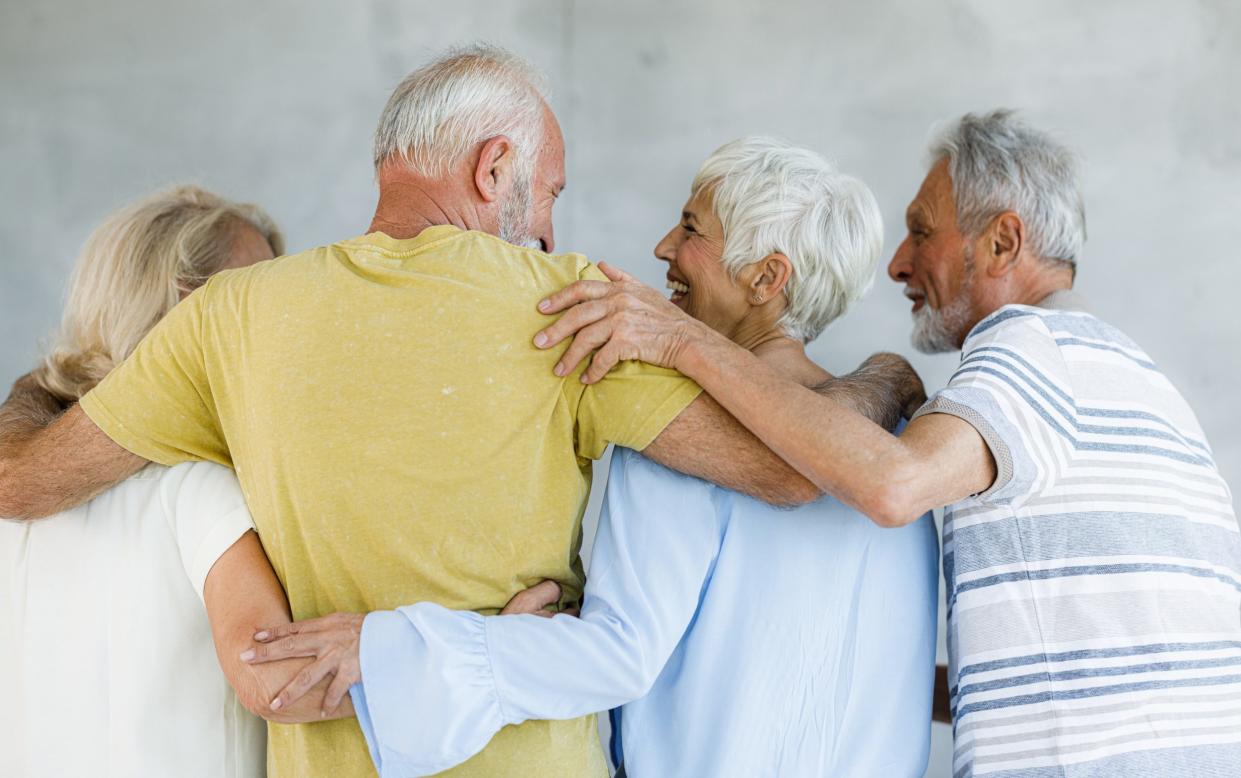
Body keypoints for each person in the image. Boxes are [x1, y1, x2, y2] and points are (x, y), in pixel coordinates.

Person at [0, 45, 922, 778]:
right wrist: (880, 378)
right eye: (549, 191)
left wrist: (56, 372)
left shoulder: (230, 319)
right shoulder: (574, 306)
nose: (554, 228)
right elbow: (793, 470)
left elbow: (22, 479)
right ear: (494, 168)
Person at [532, 109, 1241, 777]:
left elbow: (886, 486)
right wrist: (885, 380)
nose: (898, 264)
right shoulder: (1130, 377)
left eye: (920, 231)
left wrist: (680, 341)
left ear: (1001, 242)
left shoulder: (1026, 354)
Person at [242, 136, 941, 778]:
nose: (663, 248)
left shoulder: (684, 438)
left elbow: (618, 658)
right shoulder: (902, 447)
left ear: (765, 279)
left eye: (692, 229)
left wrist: (391, 649)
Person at [0, 186, 281, 777]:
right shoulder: (204, 489)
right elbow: (279, 678)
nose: (284, 323)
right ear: (187, 312)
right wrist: (477, 643)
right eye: (263, 296)